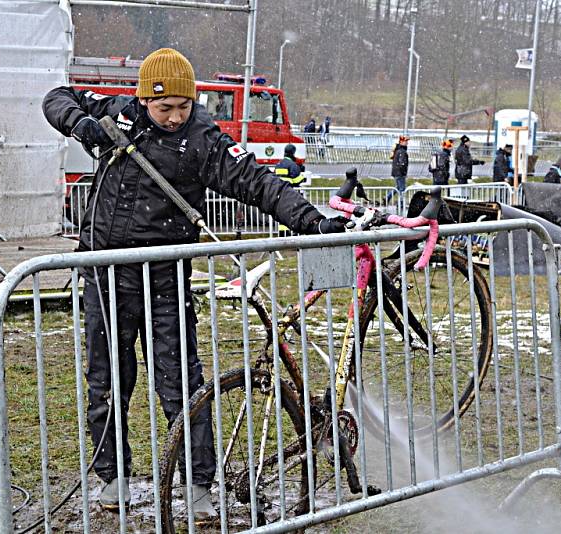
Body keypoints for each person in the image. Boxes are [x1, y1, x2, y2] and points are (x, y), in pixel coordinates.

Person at [42, 48, 348, 517]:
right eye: (164, 108)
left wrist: (313, 221)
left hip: (165, 279)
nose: (173, 117)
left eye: (183, 107)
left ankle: (199, 484)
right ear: (144, 100)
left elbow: (259, 183)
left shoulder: (204, 139)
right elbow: (57, 98)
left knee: (182, 383)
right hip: (104, 275)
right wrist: (82, 126)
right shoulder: (117, 115)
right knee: (107, 379)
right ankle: (113, 476)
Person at [385, 135, 409, 207]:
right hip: (400, 173)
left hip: (397, 173)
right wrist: (403, 172)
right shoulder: (402, 151)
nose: (407, 143)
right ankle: (400, 204)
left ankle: (387, 197)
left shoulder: (398, 150)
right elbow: (402, 164)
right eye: (405, 141)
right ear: (401, 142)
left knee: (398, 187)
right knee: (402, 189)